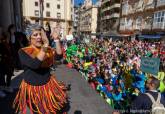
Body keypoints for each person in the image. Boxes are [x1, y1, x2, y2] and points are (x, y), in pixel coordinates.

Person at [13, 24, 67, 114]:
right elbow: (35, 64)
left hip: (48, 86)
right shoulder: (23, 51)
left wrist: (56, 39)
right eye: (35, 35)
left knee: (50, 110)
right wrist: (45, 44)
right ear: (29, 37)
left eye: (40, 34)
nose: (39, 37)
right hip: (33, 90)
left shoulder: (46, 49)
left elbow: (58, 56)